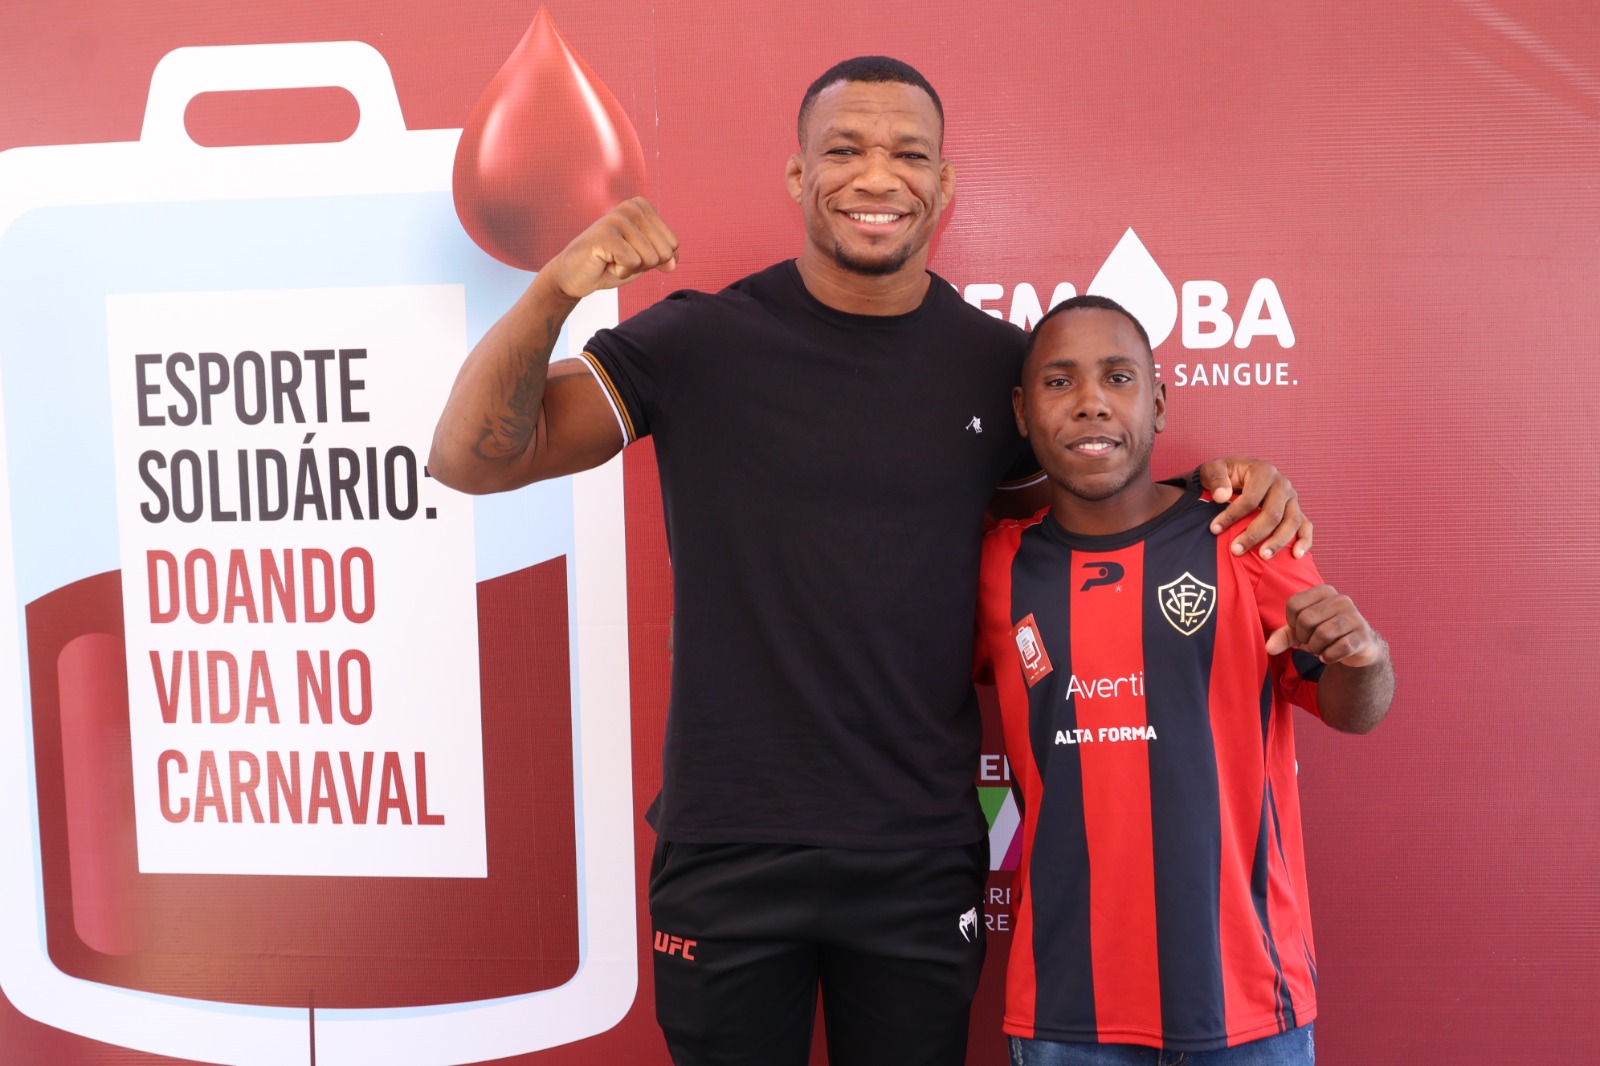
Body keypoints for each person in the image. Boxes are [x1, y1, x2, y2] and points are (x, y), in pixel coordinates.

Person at [431, 56, 1310, 1066]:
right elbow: (471, 458)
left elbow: (1096, 501)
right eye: (844, 150)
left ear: (944, 182)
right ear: (798, 175)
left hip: (917, 853)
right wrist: (554, 289)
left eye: (908, 154)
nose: (877, 177)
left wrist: (1227, 486)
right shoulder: (700, 341)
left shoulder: (999, 365)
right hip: (729, 843)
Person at [975, 295, 1394, 1066]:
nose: (1092, 401)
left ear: (1160, 402)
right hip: (1068, 1007)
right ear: (1022, 413)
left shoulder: (1245, 536)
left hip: (1248, 1000)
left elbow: (1354, 709)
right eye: (1060, 382)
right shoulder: (997, 566)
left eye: (1119, 377)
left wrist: (1363, 656)